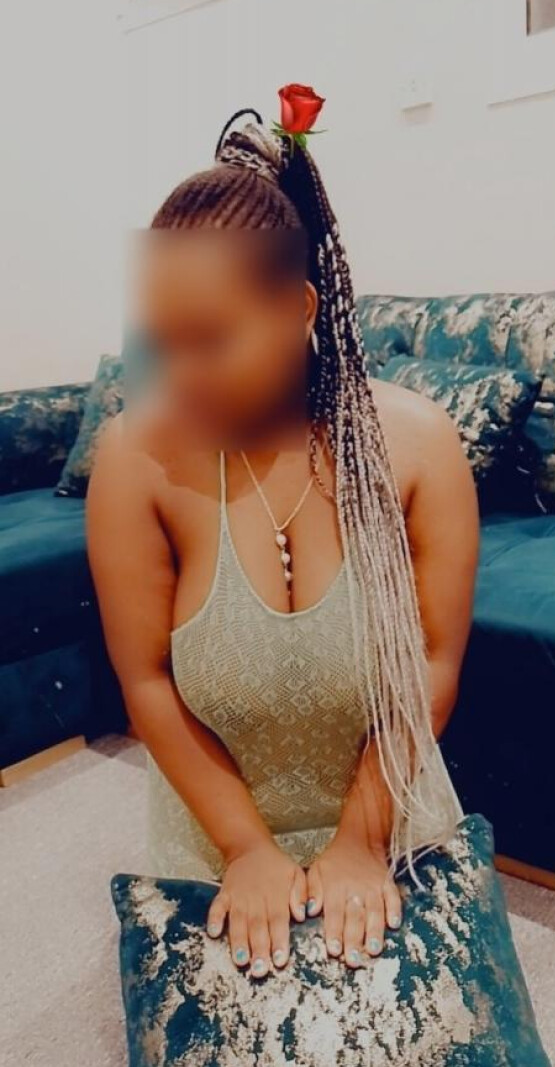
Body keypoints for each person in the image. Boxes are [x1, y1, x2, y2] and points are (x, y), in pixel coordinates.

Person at [86, 107, 479, 983]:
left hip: (389, 819)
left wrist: (361, 840)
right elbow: (146, 682)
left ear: (299, 309)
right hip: (215, 835)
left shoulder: (418, 446)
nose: (177, 376)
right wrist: (247, 850)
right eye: (161, 343)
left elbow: (432, 663)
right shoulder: (135, 457)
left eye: (210, 340)